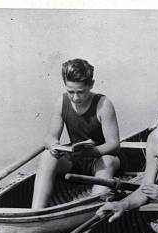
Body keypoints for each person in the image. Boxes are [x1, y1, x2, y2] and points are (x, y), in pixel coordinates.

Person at [31, 58, 121, 208]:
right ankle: (36, 211)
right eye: (70, 91)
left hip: (99, 157)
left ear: (91, 85)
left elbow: (114, 144)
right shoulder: (62, 102)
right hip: (77, 157)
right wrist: (53, 145)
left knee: (107, 162)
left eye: (81, 92)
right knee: (47, 156)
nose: (75, 97)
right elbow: (50, 136)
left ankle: (92, 208)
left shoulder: (104, 104)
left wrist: (92, 152)